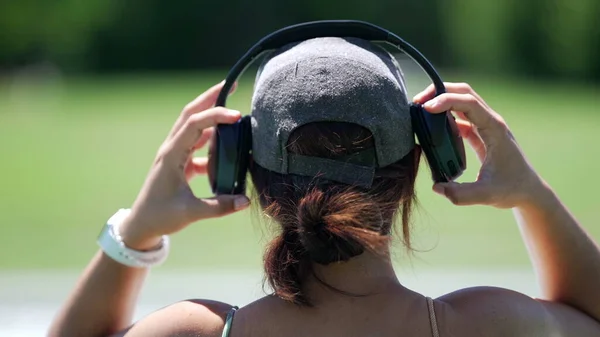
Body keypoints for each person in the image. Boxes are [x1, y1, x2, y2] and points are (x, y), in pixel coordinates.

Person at [48, 37, 600, 337]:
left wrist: (139, 229)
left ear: (246, 173)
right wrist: (533, 194)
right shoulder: (491, 325)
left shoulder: (195, 332)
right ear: (420, 167)